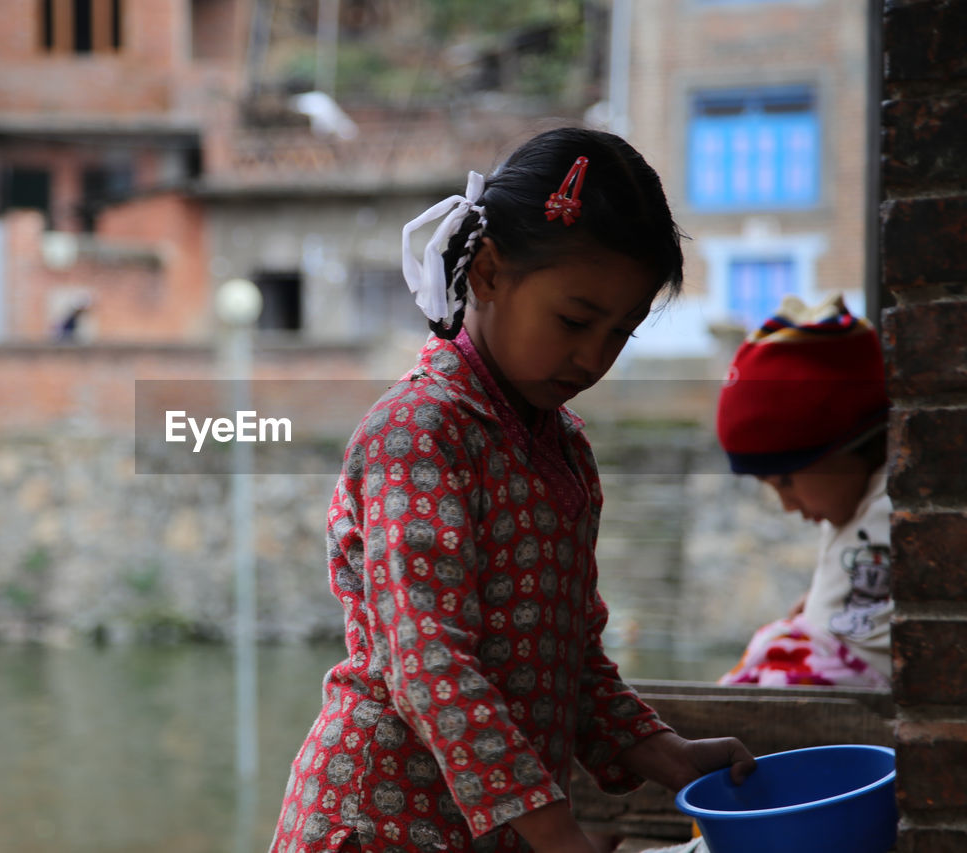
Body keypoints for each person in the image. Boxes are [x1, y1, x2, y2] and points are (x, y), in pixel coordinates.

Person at [268, 127, 755, 853]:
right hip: (381, 823)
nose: (593, 356)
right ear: (489, 272)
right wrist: (555, 829)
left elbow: (570, 660)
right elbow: (427, 659)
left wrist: (665, 752)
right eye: (574, 320)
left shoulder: (566, 452)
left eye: (620, 333)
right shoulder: (418, 433)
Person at [715, 294, 892, 688]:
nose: (788, 505)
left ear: (848, 447)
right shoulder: (855, 500)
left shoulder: (892, 501)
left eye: (786, 481)